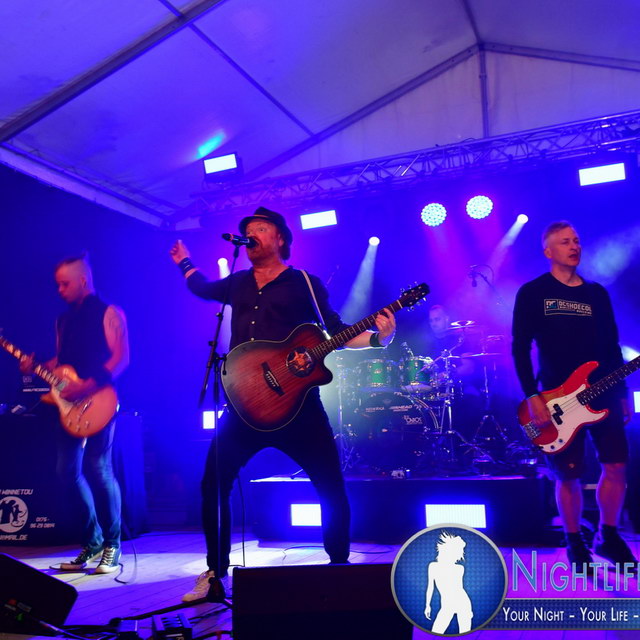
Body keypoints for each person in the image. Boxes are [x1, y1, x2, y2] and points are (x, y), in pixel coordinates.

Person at [170, 207, 396, 602]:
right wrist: (185, 262)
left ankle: (339, 568)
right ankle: (216, 573)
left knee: (330, 485)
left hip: (297, 405)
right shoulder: (237, 282)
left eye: (261, 228)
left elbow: (337, 332)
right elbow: (202, 288)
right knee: (213, 483)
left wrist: (379, 338)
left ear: (279, 239)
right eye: (248, 229)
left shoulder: (303, 283)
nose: (252, 233)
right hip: (244, 405)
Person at [512, 221, 634, 568]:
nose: (574, 246)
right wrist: (532, 396)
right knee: (568, 475)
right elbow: (520, 347)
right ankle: (574, 543)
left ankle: (608, 536)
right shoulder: (533, 292)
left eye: (577, 240)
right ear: (548, 251)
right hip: (557, 398)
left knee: (616, 466)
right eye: (565, 242)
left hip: (604, 391)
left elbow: (611, 344)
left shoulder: (597, 294)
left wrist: (622, 391)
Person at [20, 255, 129, 574]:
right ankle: (93, 541)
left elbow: (121, 358)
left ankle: (113, 544)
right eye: (57, 284)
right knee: (66, 471)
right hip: (69, 405)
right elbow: (62, 360)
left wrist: (87, 386)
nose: (60, 290)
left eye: (65, 283)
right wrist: (35, 366)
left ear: (83, 280)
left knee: (99, 467)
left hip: (100, 398)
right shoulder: (63, 320)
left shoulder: (109, 312)